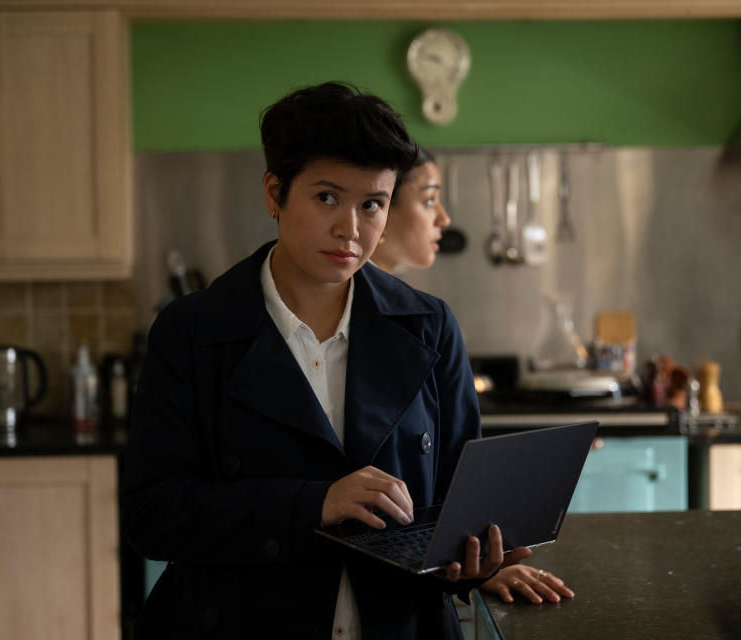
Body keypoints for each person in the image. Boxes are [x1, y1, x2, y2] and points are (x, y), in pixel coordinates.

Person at [121, 82, 532, 640]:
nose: (351, 229)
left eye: (373, 204)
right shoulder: (192, 331)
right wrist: (316, 503)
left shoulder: (430, 326)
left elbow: (456, 506)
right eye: (326, 198)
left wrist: (478, 561)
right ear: (274, 193)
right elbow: (153, 516)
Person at [372, 149, 576, 606]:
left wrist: (475, 561)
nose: (443, 217)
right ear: (380, 209)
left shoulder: (432, 322)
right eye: (428, 200)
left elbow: (454, 471)